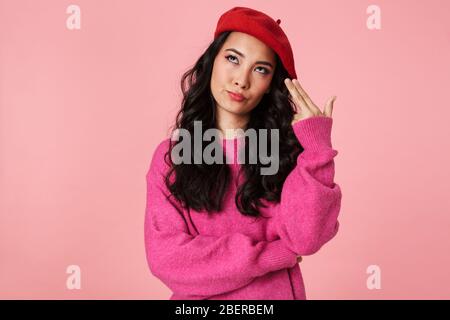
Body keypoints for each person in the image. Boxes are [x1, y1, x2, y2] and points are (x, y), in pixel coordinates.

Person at [144, 6, 341, 300]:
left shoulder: (287, 155)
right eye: (233, 59)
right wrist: (274, 254)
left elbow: (307, 239)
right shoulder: (171, 157)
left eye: (260, 69)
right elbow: (168, 260)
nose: (241, 80)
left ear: (270, 85)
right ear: (212, 62)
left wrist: (317, 148)